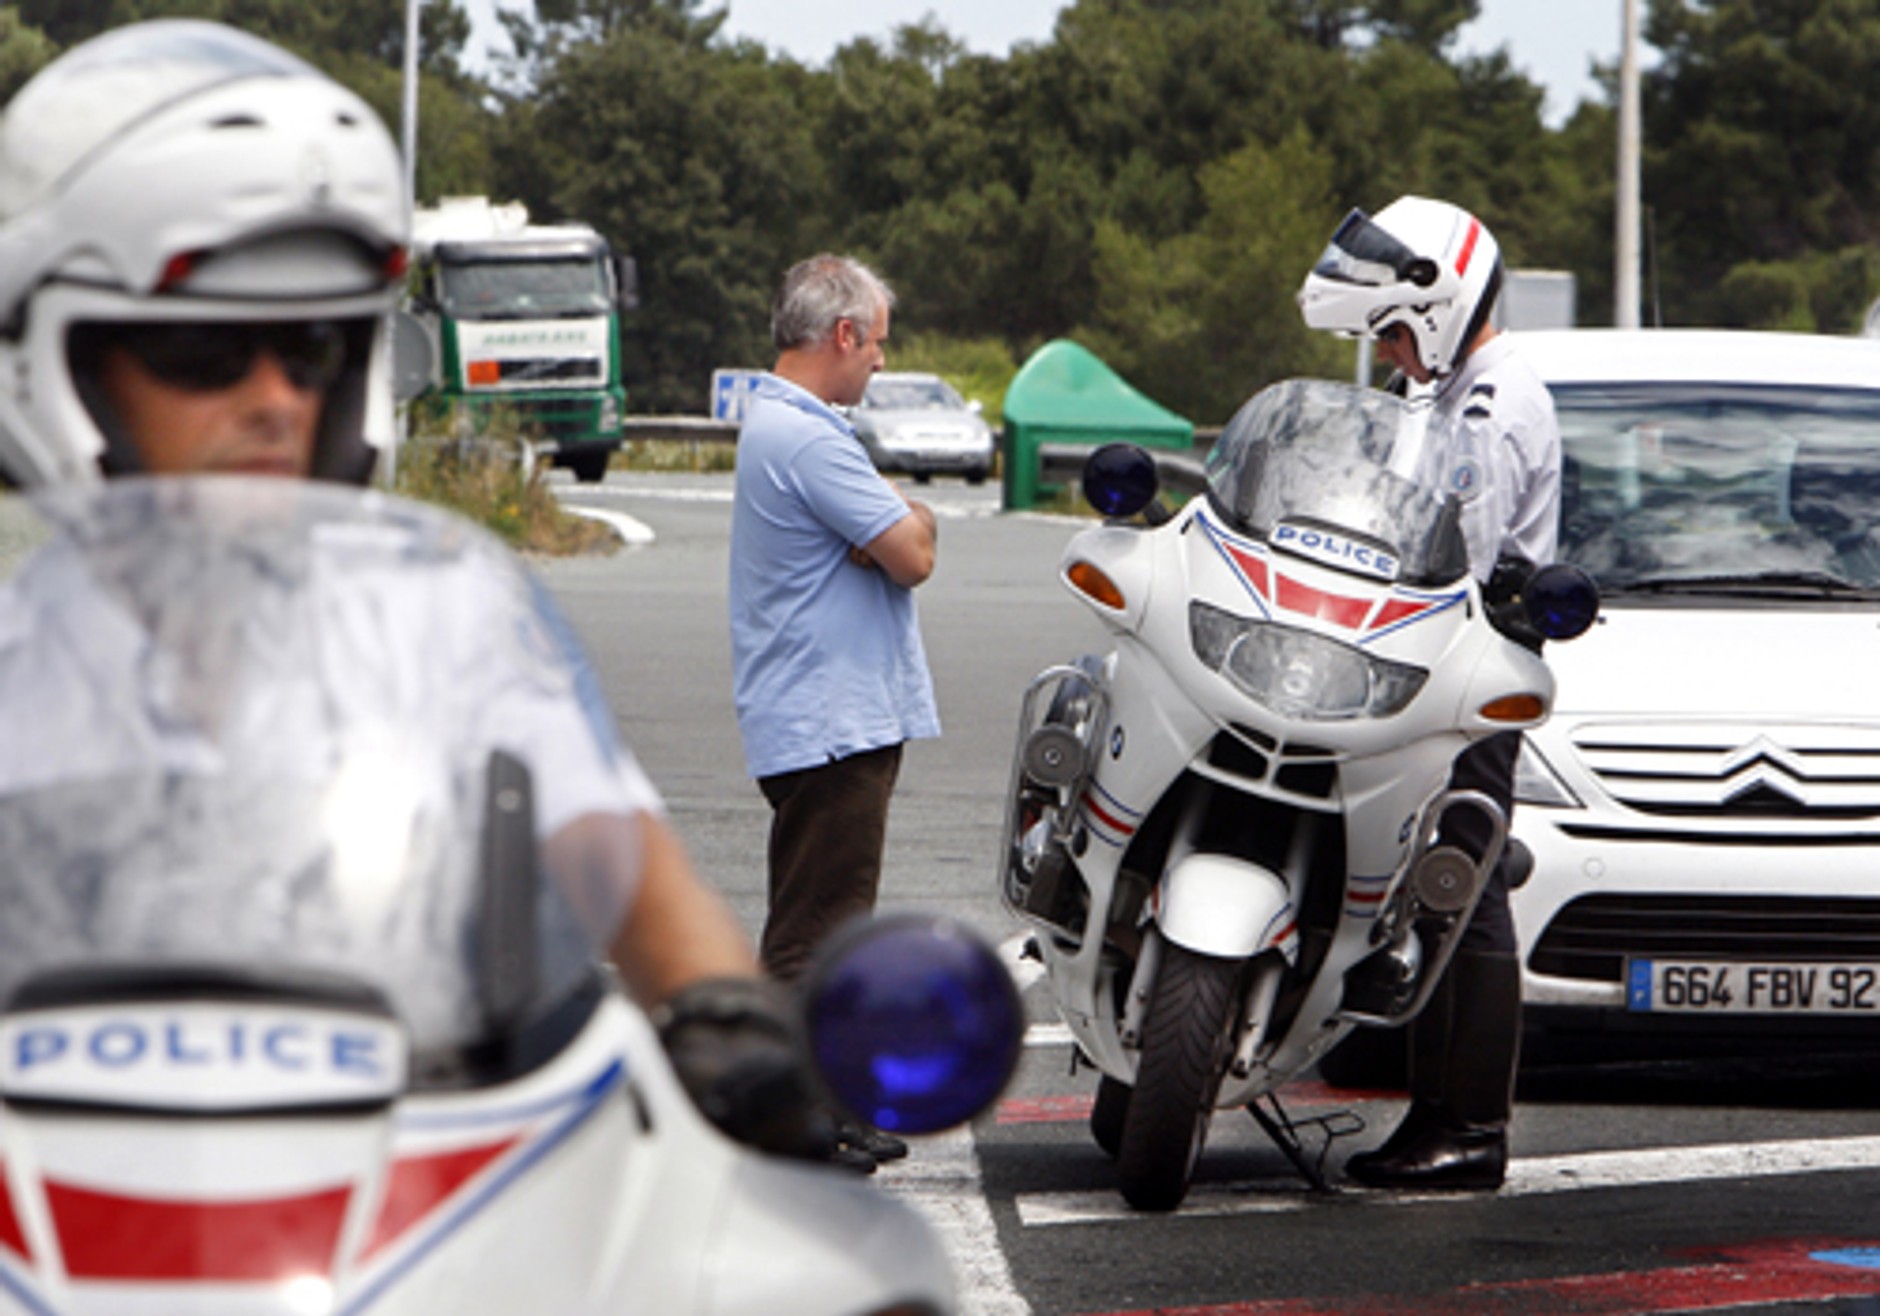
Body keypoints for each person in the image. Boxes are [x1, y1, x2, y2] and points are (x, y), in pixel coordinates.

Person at [0, 19, 841, 1168]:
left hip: (403, 1194)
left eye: (310, 348)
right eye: (205, 348)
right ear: (66, 364)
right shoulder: (15, 648)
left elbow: (618, 856)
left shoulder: (442, 621)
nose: (274, 399)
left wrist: (733, 1026)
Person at [1297, 195, 1563, 1191]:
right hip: (1434, 660)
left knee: (1462, 883)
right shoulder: (1451, 393)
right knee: (1429, 879)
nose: (1396, 353)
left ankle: (1465, 1126)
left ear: (1442, 307)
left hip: (1472, 664)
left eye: (1399, 332)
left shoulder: (1492, 407)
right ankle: (1433, 1106)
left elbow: (1458, 554)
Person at [727, 254, 941, 1165]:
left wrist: (898, 516)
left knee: (832, 924)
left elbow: (893, 538)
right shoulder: (810, 438)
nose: (881, 364)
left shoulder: (785, 426)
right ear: (844, 334)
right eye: (879, 343)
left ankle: (832, 1102)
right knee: (814, 931)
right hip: (830, 721)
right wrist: (909, 516)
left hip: (826, 715)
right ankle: (791, 1120)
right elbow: (914, 555)